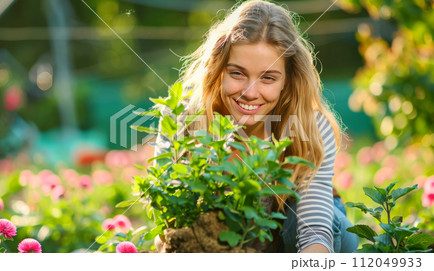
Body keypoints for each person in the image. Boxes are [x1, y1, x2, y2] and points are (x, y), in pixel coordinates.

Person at [153, 0, 358, 253]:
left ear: (287, 80)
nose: (250, 93)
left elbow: (314, 229)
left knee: (318, 222)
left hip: (305, 231)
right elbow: (169, 213)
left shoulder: (310, 124)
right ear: (218, 70)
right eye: (237, 73)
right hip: (235, 240)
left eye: (268, 78)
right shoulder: (182, 117)